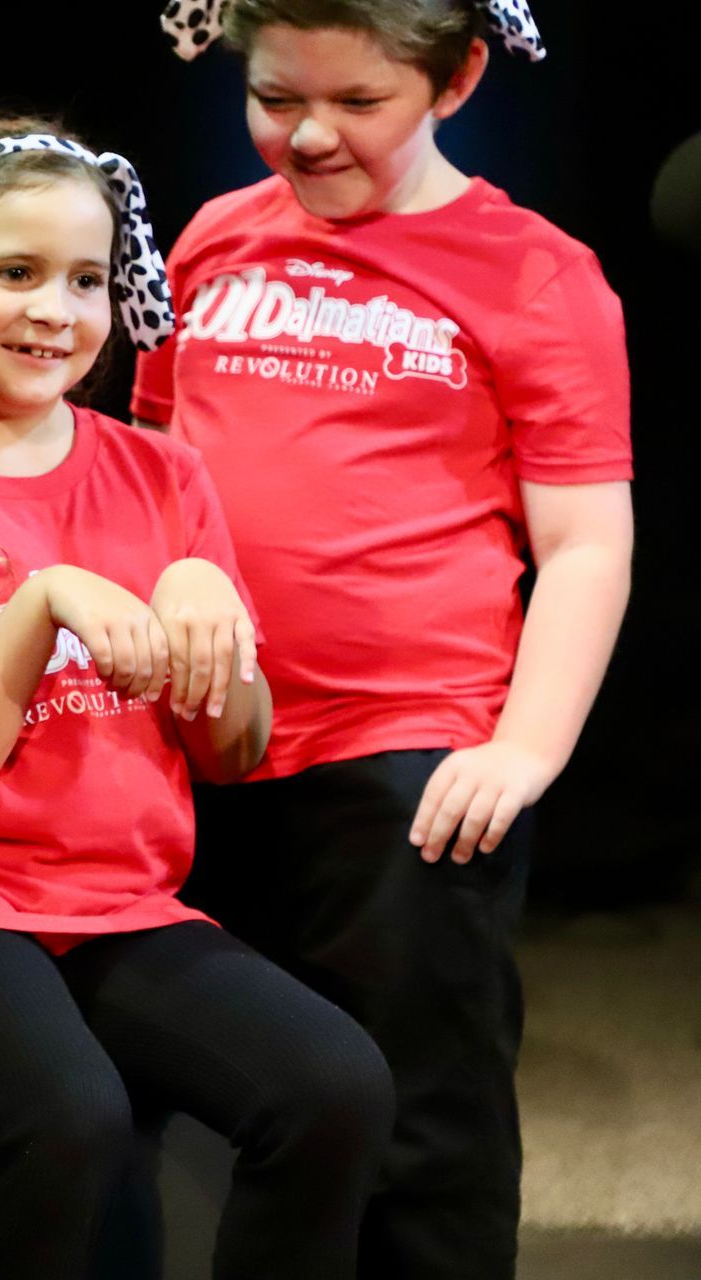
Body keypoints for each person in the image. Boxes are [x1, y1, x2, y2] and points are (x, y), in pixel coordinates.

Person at [0, 116, 395, 1280]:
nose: (55, 310)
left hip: (120, 900)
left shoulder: (160, 472)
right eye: (14, 272)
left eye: (85, 279)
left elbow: (231, 750)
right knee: (66, 1114)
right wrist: (45, 604)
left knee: (336, 1086)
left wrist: (206, 614)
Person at [139, 4, 634, 1276]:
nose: (307, 135)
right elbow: (142, 478)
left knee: (423, 1119)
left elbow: (584, 539)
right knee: (228, 1115)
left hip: (406, 754)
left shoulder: (535, 271)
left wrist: (524, 748)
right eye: (274, 97)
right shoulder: (210, 240)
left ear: (458, 76)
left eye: (358, 103)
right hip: (197, 741)